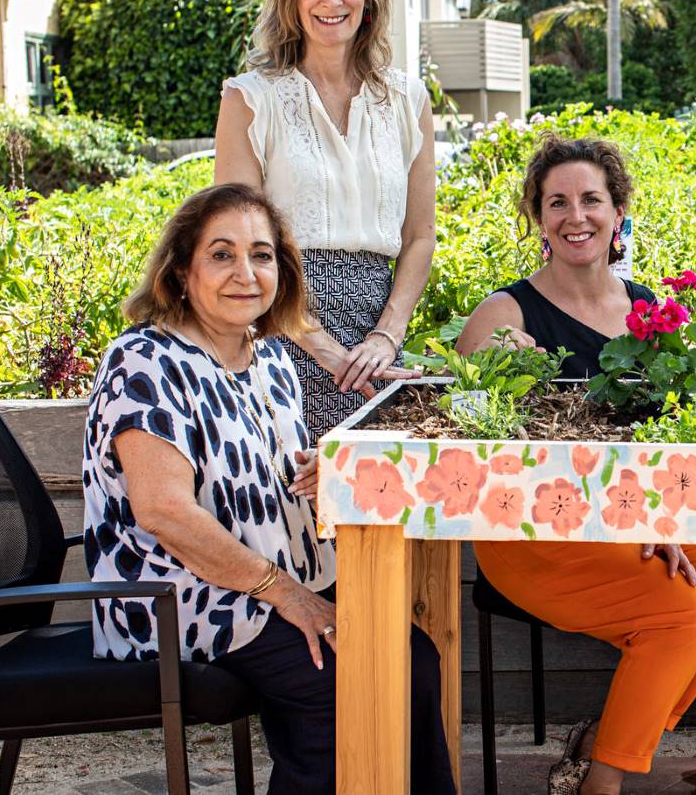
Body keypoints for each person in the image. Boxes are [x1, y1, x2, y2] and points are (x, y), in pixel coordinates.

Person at [82, 184, 455, 794]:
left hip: (274, 572)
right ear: (180, 272)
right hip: (180, 595)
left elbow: (262, 469)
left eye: (262, 255)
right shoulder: (146, 360)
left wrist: (315, 474)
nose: (246, 274)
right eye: (221, 255)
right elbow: (164, 512)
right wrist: (285, 594)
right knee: (340, 682)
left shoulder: (269, 352)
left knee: (412, 659)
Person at [456, 136, 696, 795]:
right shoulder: (504, 316)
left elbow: (671, 435)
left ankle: (610, 738)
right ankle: (603, 781)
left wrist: (660, 517)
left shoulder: (646, 309)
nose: (577, 216)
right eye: (557, 202)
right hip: (533, 533)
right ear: (537, 217)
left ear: (619, 211)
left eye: (591, 200)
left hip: (638, 516)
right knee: (683, 618)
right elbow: (489, 459)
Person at [214, 0, 433, 440]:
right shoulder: (250, 99)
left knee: (370, 511)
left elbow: (420, 237)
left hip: (377, 349)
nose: (331, 0)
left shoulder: (408, 100)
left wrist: (385, 338)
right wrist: (323, 348)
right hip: (276, 334)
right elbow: (235, 248)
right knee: (289, 509)